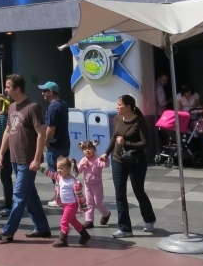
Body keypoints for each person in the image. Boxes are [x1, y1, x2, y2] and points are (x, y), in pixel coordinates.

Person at [0, 74, 51, 243]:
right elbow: (7, 131)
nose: (6, 90)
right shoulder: (12, 107)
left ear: (17, 89)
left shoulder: (32, 107)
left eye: (8, 87)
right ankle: (42, 228)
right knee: (30, 195)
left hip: (27, 160)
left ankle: (8, 231)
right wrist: (1, 153)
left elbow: (41, 134)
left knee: (19, 195)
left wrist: (36, 159)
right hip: (14, 158)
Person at [103, 94, 156, 238]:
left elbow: (146, 143)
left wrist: (126, 143)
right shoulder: (117, 118)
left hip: (135, 162)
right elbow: (115, 137)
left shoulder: (139, 121)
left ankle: (149, 219)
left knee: (138, 191)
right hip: (118, 160)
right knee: (120, 194)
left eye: (119, 104)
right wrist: (106, 153)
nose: (117, 107)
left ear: (128, 107)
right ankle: (125, 228)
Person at [40, 157, 90, 247]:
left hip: (72, 205)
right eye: (58, 168)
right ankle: (85, 235)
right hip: (65, 205)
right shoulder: (59, 177)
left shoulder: (74, 182)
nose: (59, 170)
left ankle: (63, 240)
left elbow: (80, 196)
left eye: (61, 168)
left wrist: (83, 206)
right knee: (73, 221)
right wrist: (40, 168)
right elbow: (50, 173)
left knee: (64, 221)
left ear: (68, 169)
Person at [39, 82, 69, 208]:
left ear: (51, 92)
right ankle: (64, 195)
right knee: (63, 170)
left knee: (56, 172)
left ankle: (60, 197)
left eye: (44, 91)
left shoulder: (53, 107)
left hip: (55, 144)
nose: (42, 94)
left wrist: (46, 141)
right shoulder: (63, 104)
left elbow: (51, 128)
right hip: (64, 142)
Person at [76, 140, 110, 228]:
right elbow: (78, 171)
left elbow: (105, 165)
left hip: (97, 184)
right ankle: (89, 221)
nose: (87, 151)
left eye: (89, 149)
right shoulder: (83, 160)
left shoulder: (97, 160)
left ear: (94, 150)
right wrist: (81, 165)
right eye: (85, 149)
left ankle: (106, 214)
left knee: (98, 202)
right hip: (87, 184)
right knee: (89, 202)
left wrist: (105, 159)